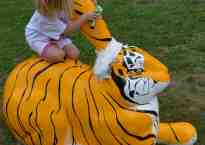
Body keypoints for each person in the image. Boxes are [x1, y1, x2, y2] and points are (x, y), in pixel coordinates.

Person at [25, 0, 97, 62]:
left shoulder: (59, 4)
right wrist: (85, 17)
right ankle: (44, 55)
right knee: (58, 55)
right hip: (39, 37)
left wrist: (89, 2)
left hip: (57, 34)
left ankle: (52, 48)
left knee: (74, 54)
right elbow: (69, 30)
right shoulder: (46, 17)